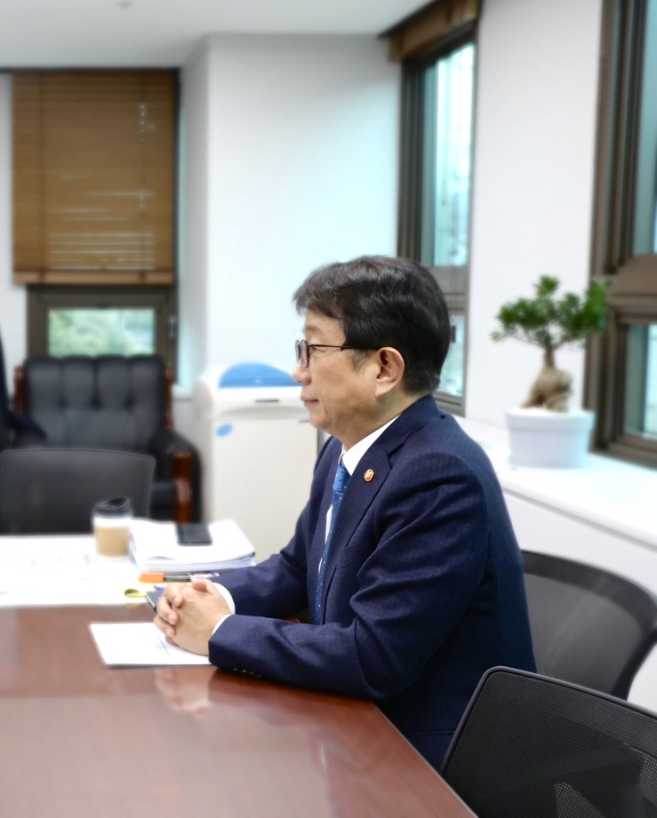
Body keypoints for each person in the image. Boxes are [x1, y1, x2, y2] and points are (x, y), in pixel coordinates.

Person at [155, 255, 534, 768]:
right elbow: (298, 567)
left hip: (433, 757)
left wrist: (220, 632)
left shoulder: (439, 475)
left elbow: (373, 657)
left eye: (313, 350)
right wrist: (209, 595)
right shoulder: (347, 446)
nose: (298, 371)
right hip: (357, 727)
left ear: (384, 368)